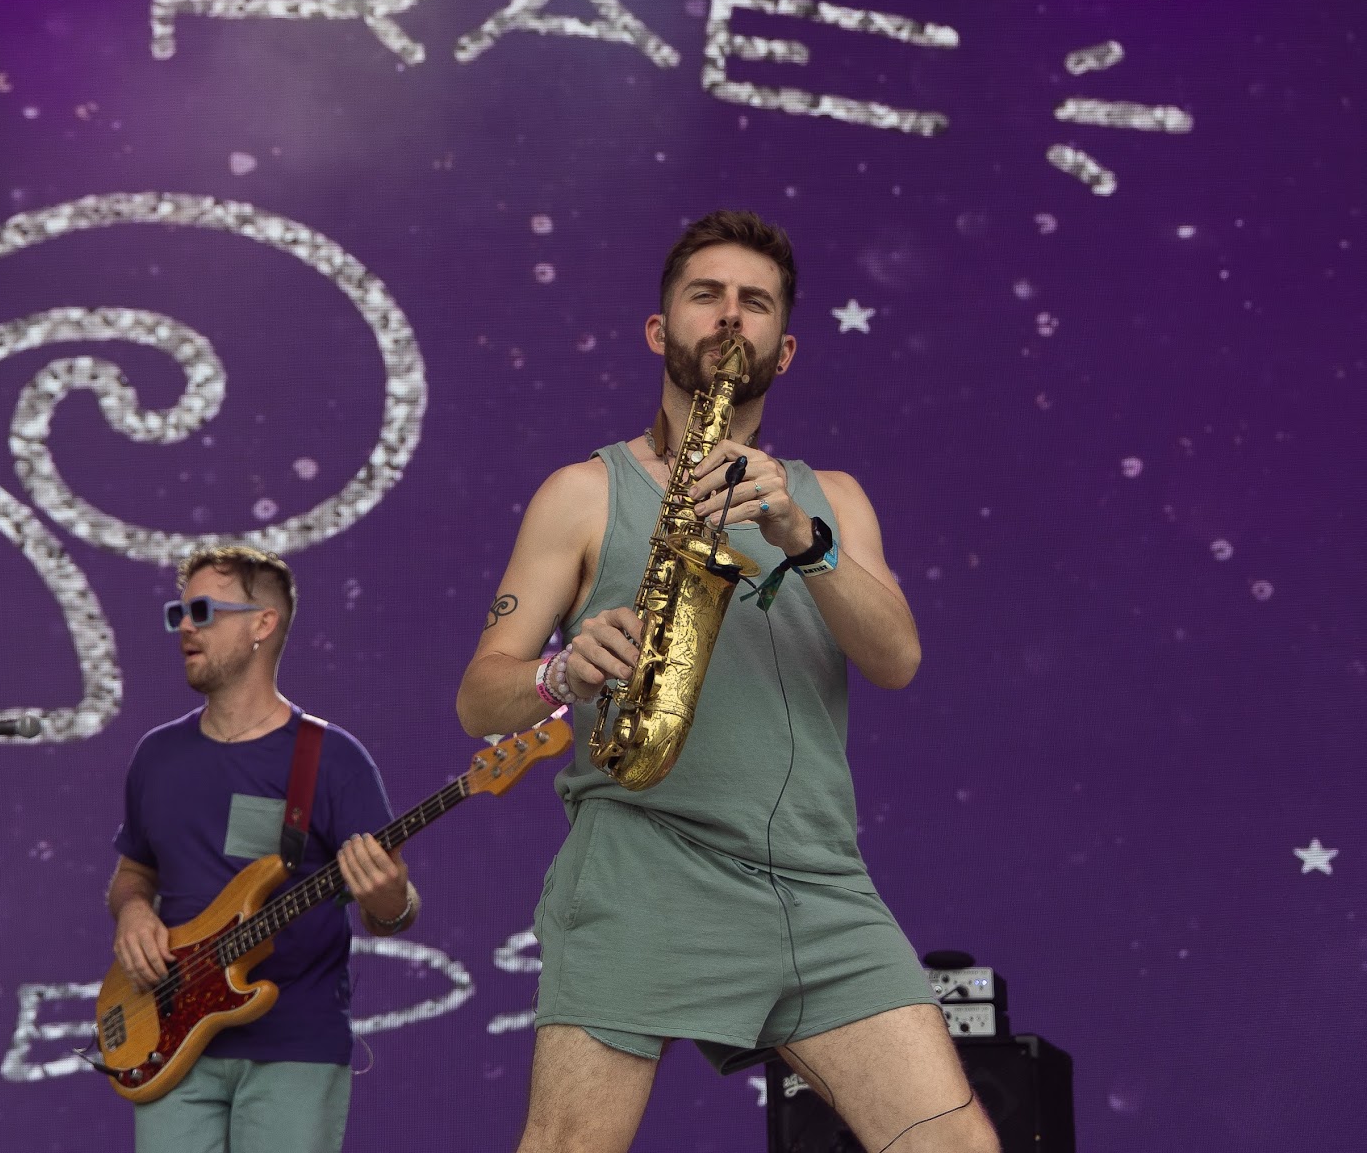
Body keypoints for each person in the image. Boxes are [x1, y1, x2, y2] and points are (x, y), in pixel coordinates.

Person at [456, 210, 993, 1153]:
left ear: (784, 352)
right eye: (707, 296)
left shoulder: (834, 498)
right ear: (662, 332)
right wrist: (559, 669)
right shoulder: (581, 494)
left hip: (817, 882)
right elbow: (478, 698)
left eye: (755, 303)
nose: (730, 318)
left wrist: (801, 538)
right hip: (640, 867)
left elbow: (897, 660)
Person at [106, 543, 418, 1153]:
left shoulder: (332, 759)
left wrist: (387, 898)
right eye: (179, 612)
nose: (184, 627)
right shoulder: (156, 755)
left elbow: (393, 914)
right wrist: (134, 911)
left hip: (293, 1045)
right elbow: (132, 873)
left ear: (262, 625)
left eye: (202, 610)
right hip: (167, 1038)